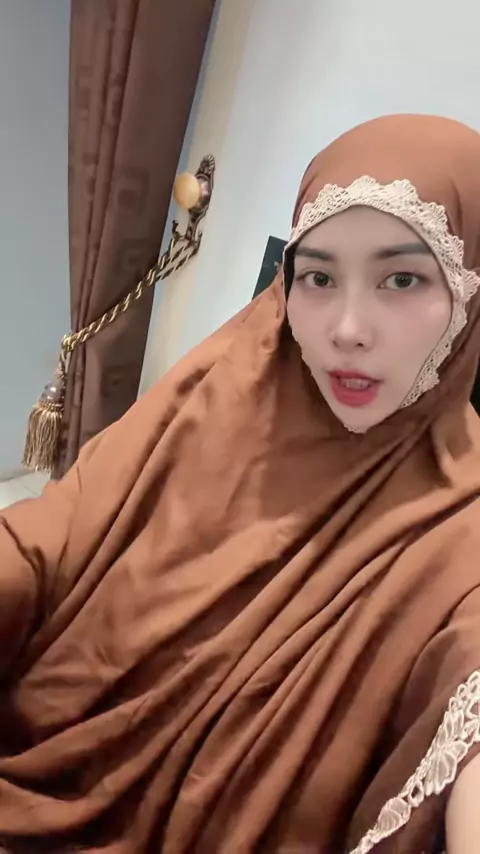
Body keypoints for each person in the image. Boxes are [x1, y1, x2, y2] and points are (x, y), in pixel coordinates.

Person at [0, 114, 480, 854]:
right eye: (318, 277)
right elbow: (53, 533)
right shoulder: (222, 385)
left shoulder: (460, 529)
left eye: (401, 279)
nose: (347, 329)